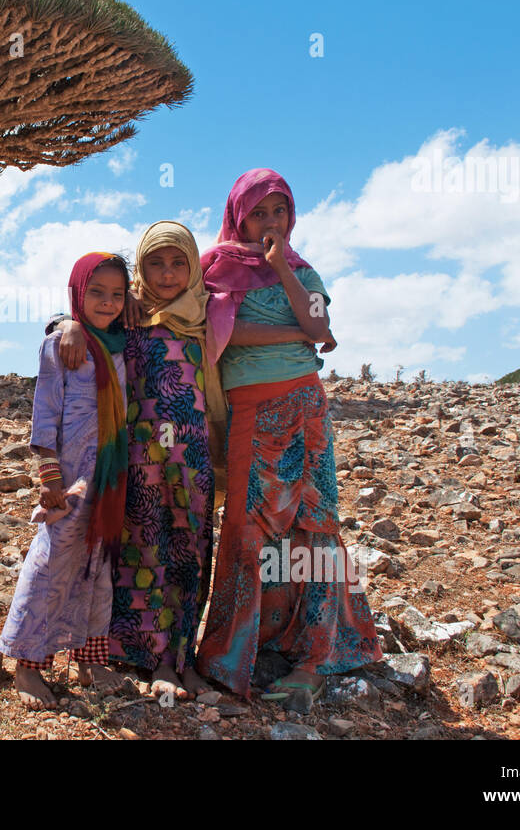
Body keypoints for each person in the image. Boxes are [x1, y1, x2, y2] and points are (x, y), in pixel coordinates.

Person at [49, 222, 320, 700]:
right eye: (155, 262)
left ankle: (179, 659)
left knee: (189, 551)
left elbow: (254, 334)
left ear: (195, 265)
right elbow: (86, 321)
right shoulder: (130, 312)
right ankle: (139, 655)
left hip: (191, 456)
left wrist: (309, 332)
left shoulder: (210, 312)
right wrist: (62, 324)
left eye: (178, 262)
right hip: (137, 456)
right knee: (139, 549)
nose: (168, 273)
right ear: (142, 267)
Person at [196, 168, 380, 702]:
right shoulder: (215, 268)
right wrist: (298, 332)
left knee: (313, 523)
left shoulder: (305, 272)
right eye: (259, 213)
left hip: (306, 406)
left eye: (279, 212)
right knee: (250, 524)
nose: (270, 222)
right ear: (239, 215)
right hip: (252, 410)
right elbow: (224, 332)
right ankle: (236, 654)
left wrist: (283, 270)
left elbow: (320, 323)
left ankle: (315, 654)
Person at [0, 252, 132, 710]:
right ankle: (27, 662)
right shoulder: (62, 345)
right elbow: (46, 411)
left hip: (110, 471)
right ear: (77, 293)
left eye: (117, 294)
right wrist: (49, 473)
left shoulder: (121, 344)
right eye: (96, 292)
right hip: (70, 475)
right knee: (53, 558)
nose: (108, 302)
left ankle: (90, 658)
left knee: (98, 561)